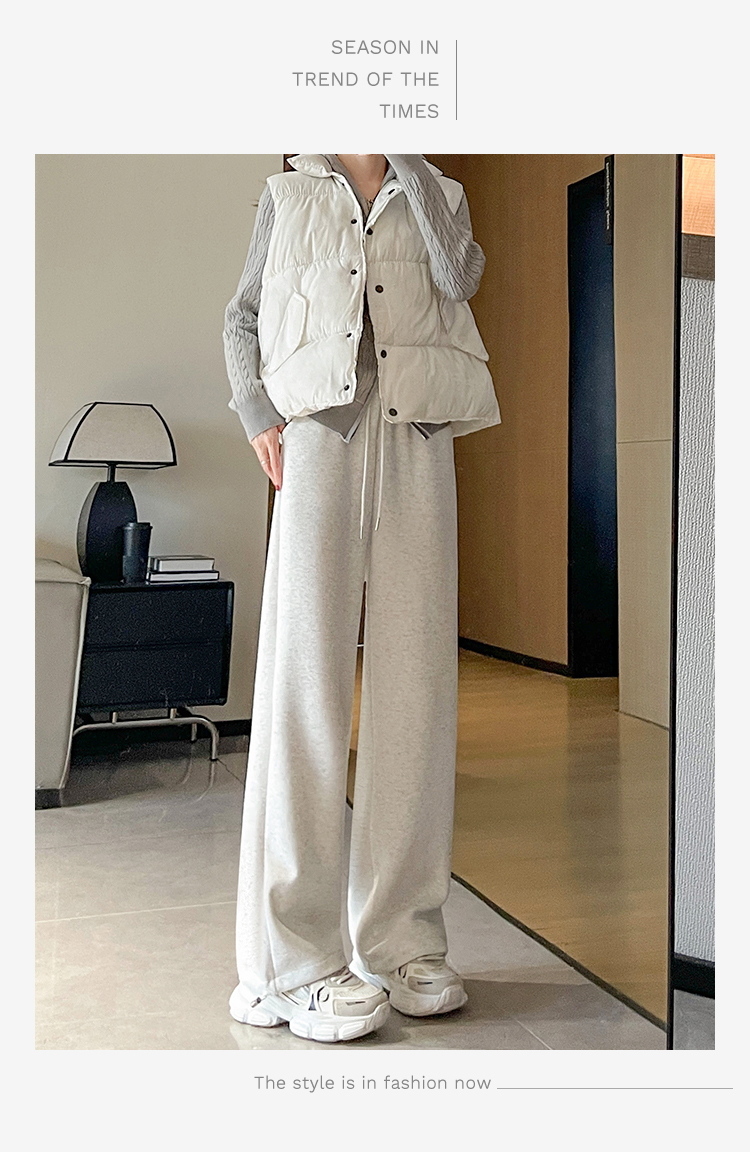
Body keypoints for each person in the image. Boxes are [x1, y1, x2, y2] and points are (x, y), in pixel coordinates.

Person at [222, 154, 501, 1044]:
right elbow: (242, 315)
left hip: (418, 433)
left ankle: (402, 941)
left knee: (417, 690)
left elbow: (461, 275)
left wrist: (410, 168)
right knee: (305, 688)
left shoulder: (440, 191)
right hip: (319, 437)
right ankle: (292, 962)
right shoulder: (289, 192)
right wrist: (256, 411)